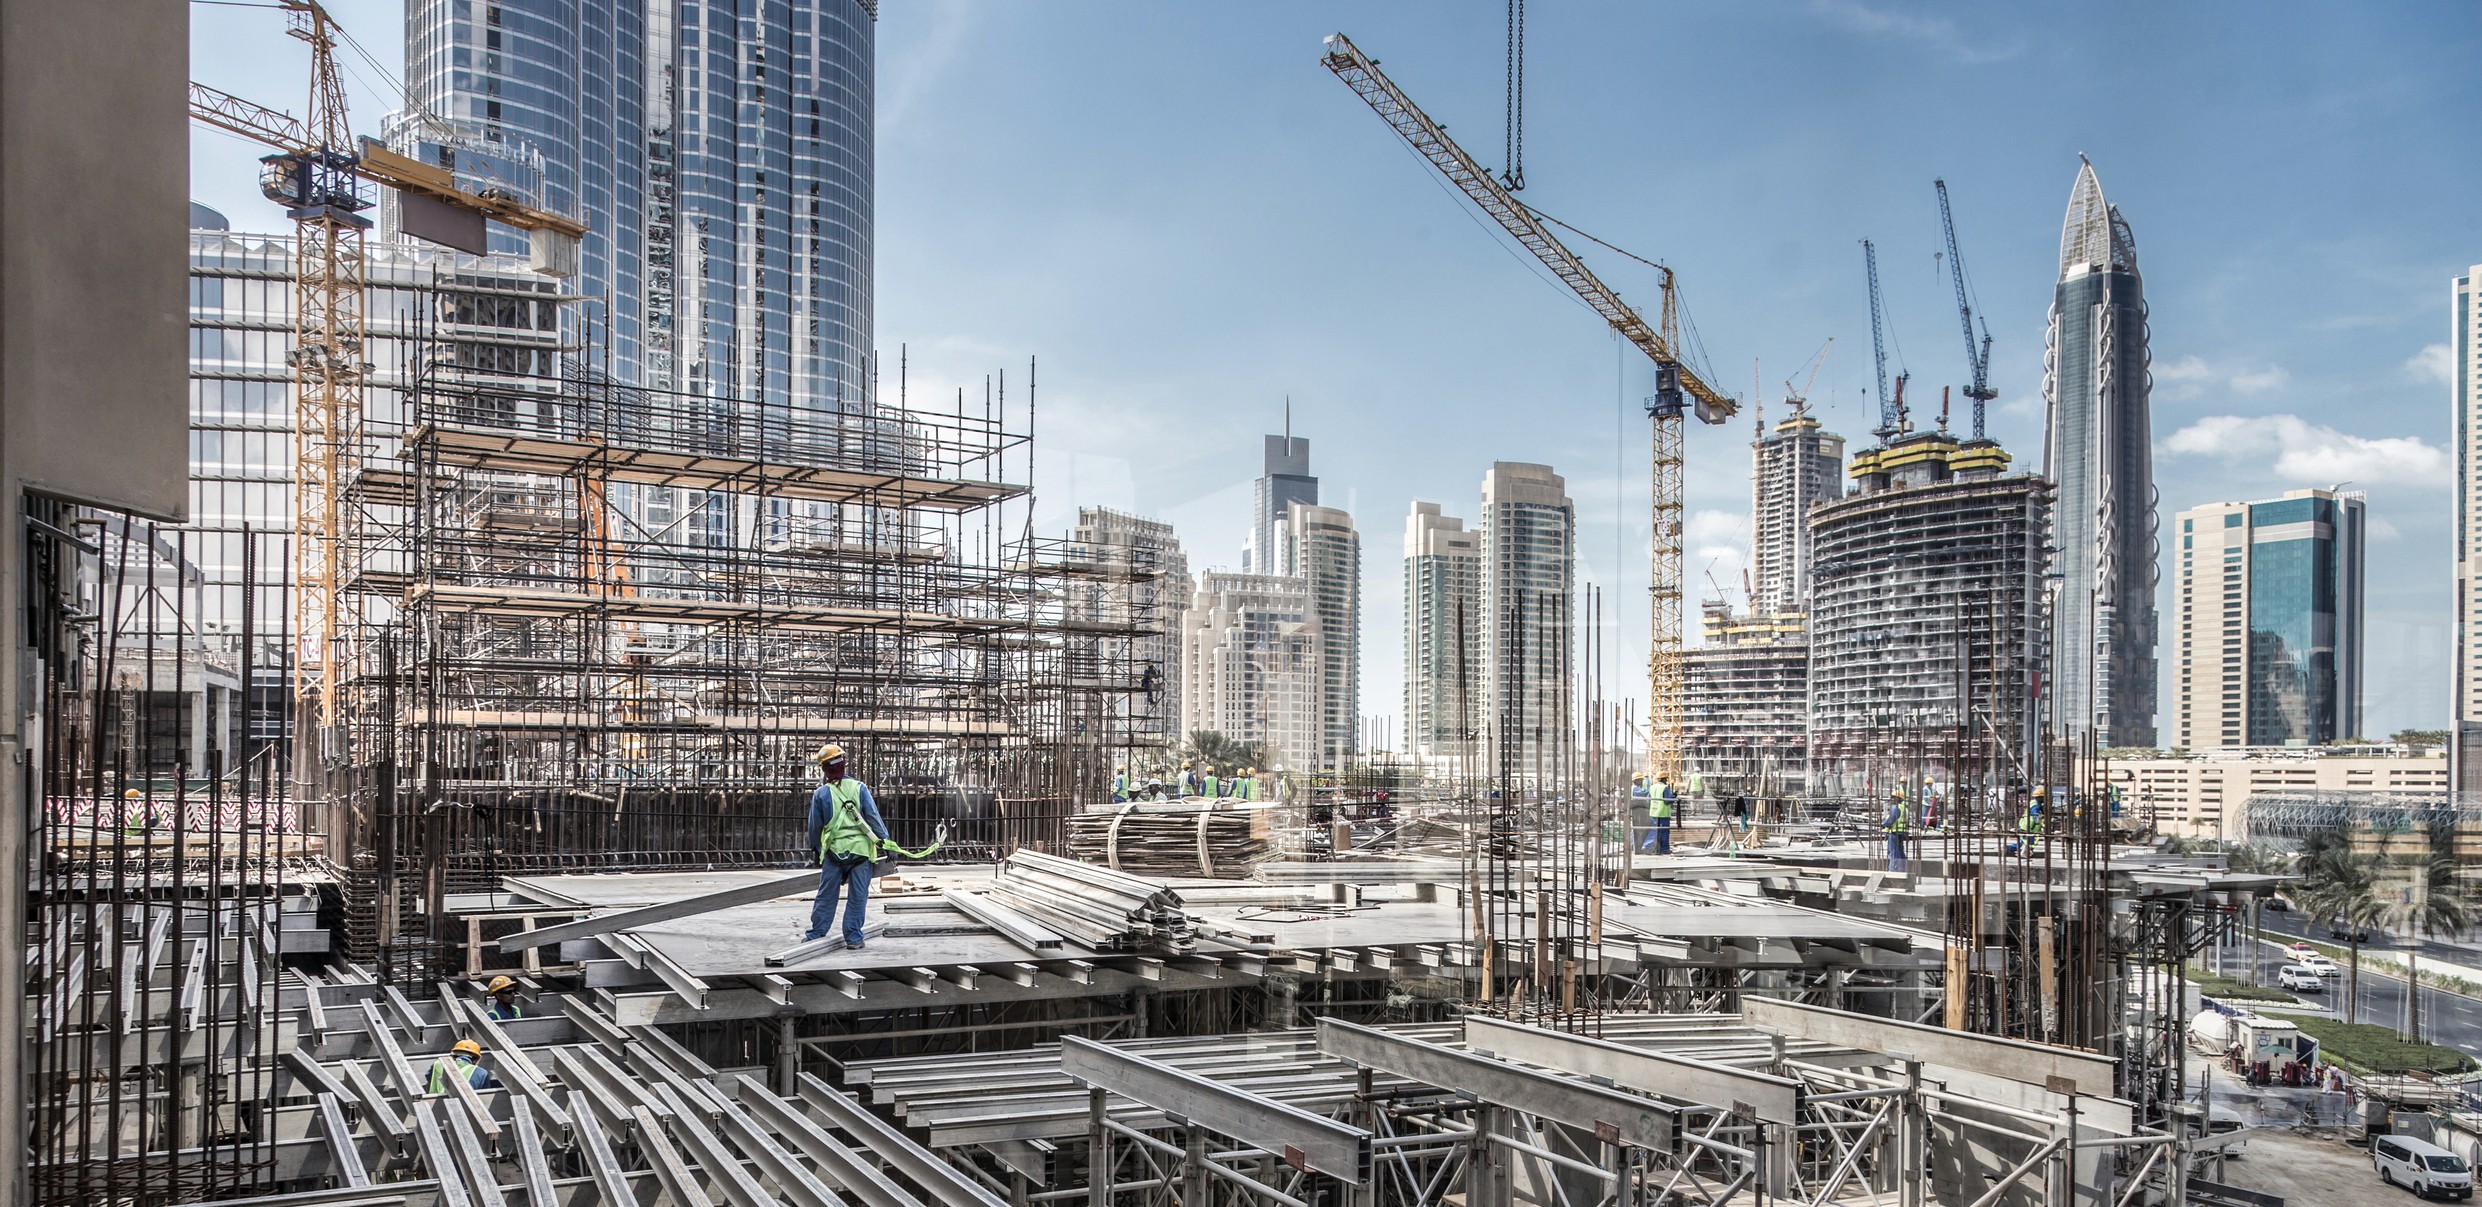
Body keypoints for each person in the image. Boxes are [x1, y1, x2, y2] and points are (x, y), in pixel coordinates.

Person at [802, 744, 891, 948]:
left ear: (824, 770)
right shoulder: (859, 788)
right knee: (858, 896)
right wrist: (887, 844)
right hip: (860, 852)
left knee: (826, 894)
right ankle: (853, 938)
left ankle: (816, 934)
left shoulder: (821, 794)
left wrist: (816, 850)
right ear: (845, 763)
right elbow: (873, 819)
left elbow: (815, 827)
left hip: (834, 852)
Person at [430, 1038, 495, 1093]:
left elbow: (428, 1076)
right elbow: (485, 1095)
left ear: (453, 1054)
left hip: (434, 1105)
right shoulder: (482, 1073)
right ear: (476, 1059)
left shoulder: (438, 1063)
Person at [1883, 789, 1910, 872]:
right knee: (1900, 851)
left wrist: (1884, 824)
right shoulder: (1905, 808)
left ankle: (1893, 870)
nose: (1892, 800)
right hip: (1902, 832)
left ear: (1898, 799)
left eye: (1893, 798)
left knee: (1893, 852)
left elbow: (1891, 820)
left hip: (1894, 832)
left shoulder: (1896, 808)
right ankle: (1902, 869)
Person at [1652, 775, 1677, 855]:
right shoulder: (1664, 788)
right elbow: (1667, 800)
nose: (1666, 781)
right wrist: (1674, 797)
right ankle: (1664, 849)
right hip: (1663, 813)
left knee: (1655, 832)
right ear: (1663, 779)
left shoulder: (1652, 787)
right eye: (1666, 779)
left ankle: (1655, 849)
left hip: (1653, 812)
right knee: (1664, 832)